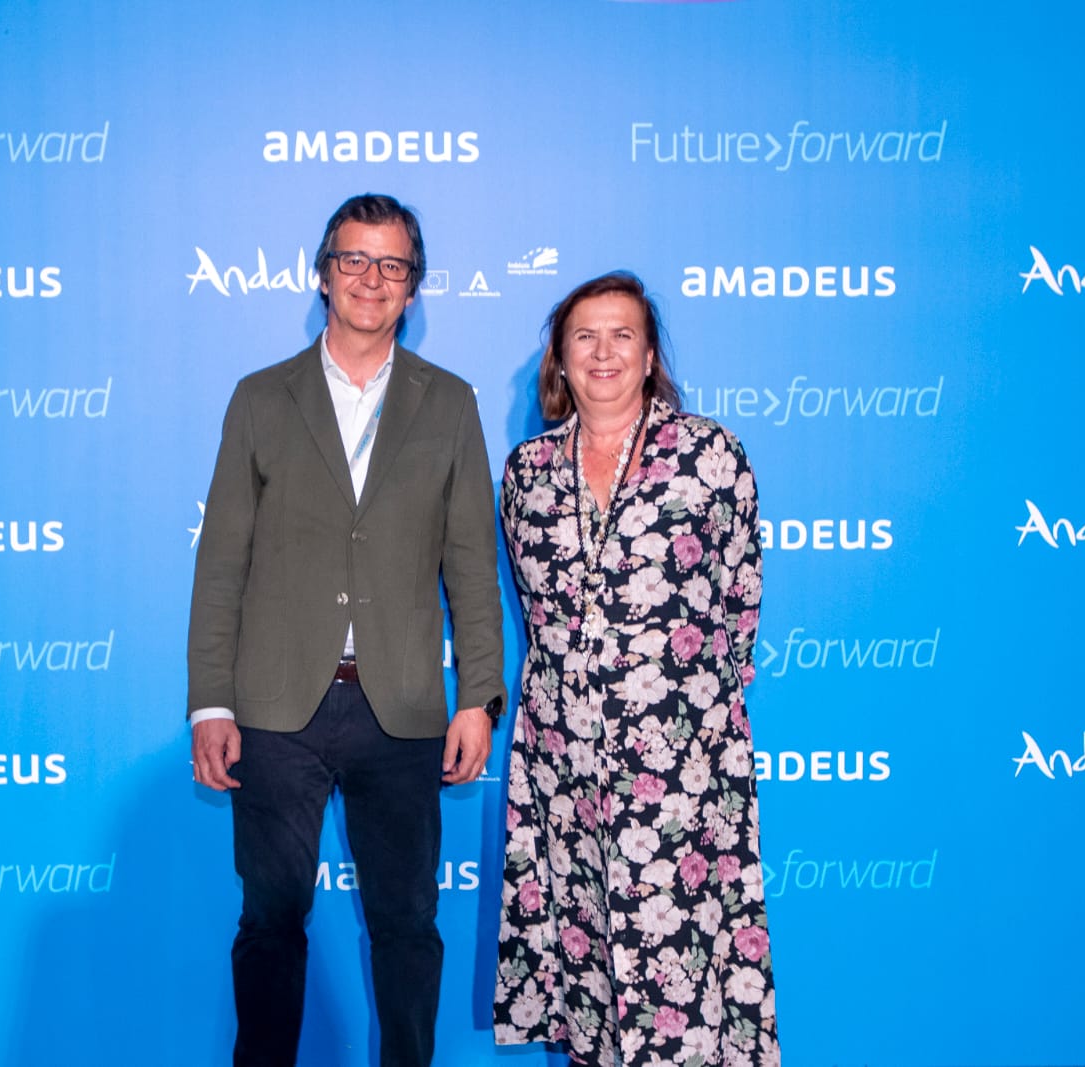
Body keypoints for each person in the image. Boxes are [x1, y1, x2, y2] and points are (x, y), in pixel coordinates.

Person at [187, 193, 505, 1067]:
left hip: (401, 705)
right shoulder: (261, 398)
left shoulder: (450, 403)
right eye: (354, 260)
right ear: (323, 274)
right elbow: (221, 565)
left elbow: (471, 565)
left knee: (408, 924)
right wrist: (211, 702)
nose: (372, 278)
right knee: (270, 921)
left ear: (414, 286)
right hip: (276, 706)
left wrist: (477, 696)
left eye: (392, 264)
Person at [493, 272, 780, 1065]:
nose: (603, 352)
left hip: (681, 765)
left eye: (622, 334)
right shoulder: (528, 470)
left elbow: (741, 592)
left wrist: (694, 710)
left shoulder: (709, 454)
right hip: (565, 764)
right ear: (560, 358)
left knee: (682, 963)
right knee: (589, 961)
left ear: (650, 355)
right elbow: (539, 607)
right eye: (584, 336)